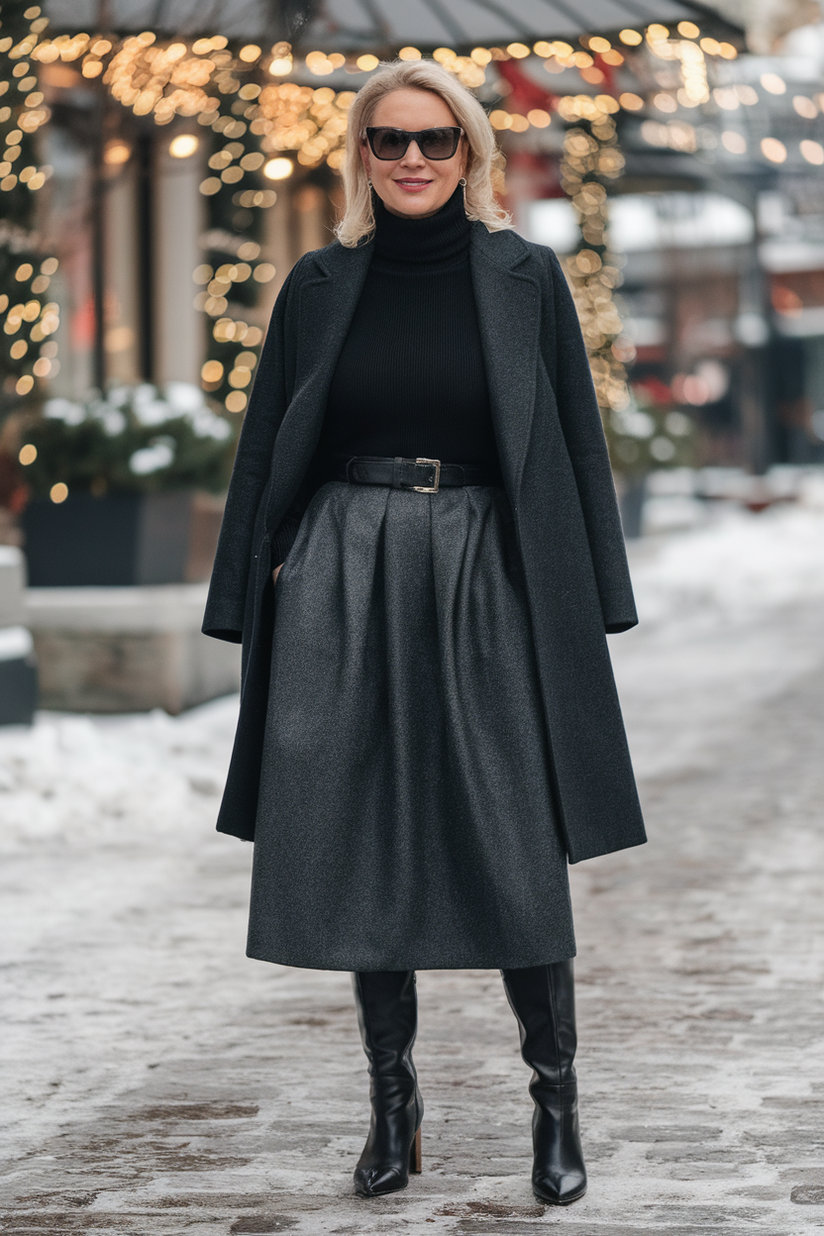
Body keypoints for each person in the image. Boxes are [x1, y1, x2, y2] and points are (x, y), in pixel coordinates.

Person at [203, 58, 645, 1205]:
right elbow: (267, 445)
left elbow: (575, 445)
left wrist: (595, 585)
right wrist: (254, 588)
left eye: (434, 142)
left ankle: (555, 1104)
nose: (410, 160)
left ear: (470, 156)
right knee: (359, 836)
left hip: (486, 565)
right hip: (345, 567)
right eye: (388, 142)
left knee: (510, 830)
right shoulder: (315, 282)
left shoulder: (525, 277)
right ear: (359, 154)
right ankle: (390, 1113)